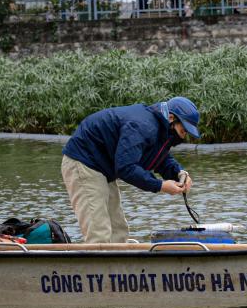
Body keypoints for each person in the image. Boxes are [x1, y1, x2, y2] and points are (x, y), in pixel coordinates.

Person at [61, 97, 200, 243]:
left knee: (118, 231)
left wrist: (179, 173)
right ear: (171, 118)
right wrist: (160, 186)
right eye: (183, 131)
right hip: (83, 163)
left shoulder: (160, 128)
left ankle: (121, 265)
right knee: (99, 233)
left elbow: (160, 157)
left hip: (103, 169)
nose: (183, 136)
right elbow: (126, 167)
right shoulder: (142, 125)